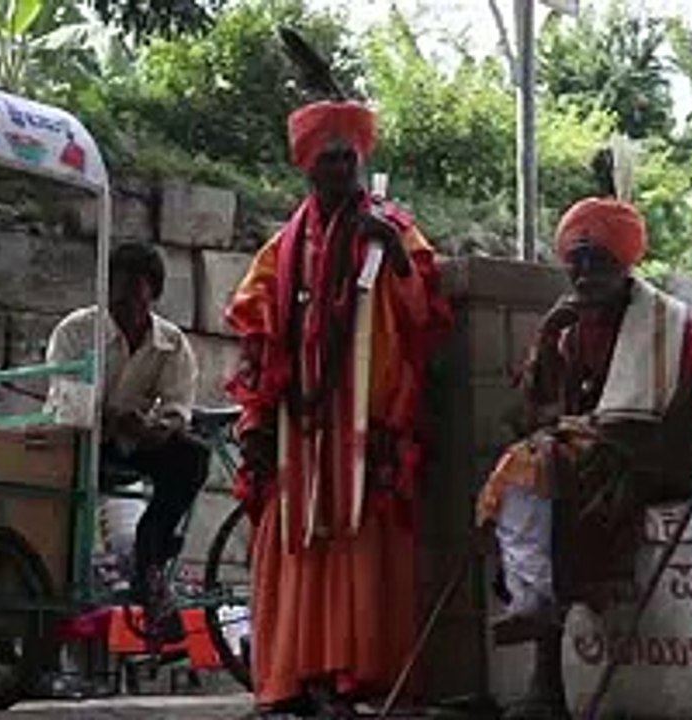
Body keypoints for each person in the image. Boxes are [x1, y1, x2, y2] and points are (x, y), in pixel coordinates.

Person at [224, 99, 452, 717]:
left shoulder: (395, 229)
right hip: (299, 424)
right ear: (309, 168)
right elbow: (255, 331)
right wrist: (256, 419)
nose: (341, 168)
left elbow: (424, 314)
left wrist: (393, 254)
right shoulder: (282, 247)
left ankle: (361, 676)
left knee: (364, 541)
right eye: (328, 158)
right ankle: (299, 676)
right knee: (296, 539)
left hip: (368, 424)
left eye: (349, 157)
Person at [475, 197, 692, 719]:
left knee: (560, 475)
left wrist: (595, 436)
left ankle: (545, 669)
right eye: (578, 263)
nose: (587, 275)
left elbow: (684, 416)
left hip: (656, 456)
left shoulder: (672, 325)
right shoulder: (566, 327)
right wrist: (545, 340)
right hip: (581, 454)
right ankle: (535, 617)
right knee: (528, 470)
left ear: (625, 265)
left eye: (600, 262)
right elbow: (526, 417)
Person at [45, 242, 207, 630]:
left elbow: (177, 405)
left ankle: (149, 562)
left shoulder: (171, 343)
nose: (128, 306)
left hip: (134, 444)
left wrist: (160, 428)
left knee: (192, 456)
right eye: (119, 295)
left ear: (152, 293)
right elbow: (68, 400)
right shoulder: (76, 331)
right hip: (78, 440)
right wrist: (115, 417)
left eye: (137, 294)